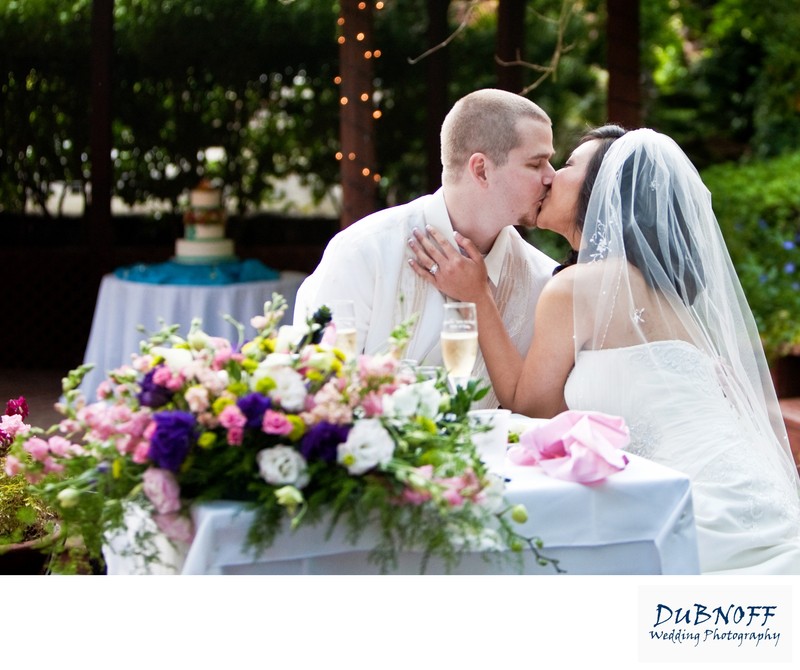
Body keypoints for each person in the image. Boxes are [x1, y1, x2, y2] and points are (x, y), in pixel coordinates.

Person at [409, 127, 800, 574]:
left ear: (606, 189)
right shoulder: (671, 299)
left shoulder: (578, 288)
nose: (551, 176)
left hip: (691, 506)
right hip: (750, 491)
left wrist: (476, 295)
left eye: (570, 165)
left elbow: (531, 406)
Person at [293, 88, 559, 409]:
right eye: (536, 164)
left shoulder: (544, 281)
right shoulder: (365, 252)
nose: (551, 177)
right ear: (481, 170)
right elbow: (315, 388)